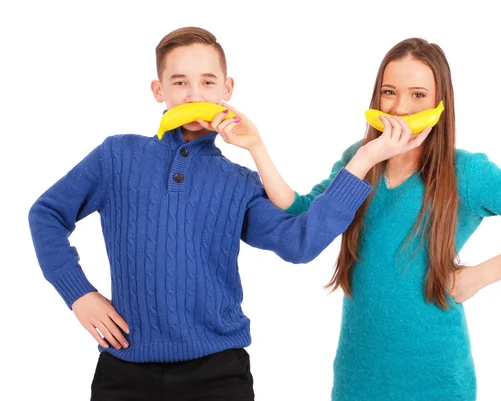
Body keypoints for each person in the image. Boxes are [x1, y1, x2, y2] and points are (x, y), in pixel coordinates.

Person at [27, 26, 414, 401]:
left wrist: (362, 160)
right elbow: (45, 214)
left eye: (207, 82)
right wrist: (79, 294)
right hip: (124, 368)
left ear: (227, 89)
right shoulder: (117, 156)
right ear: (158, 89)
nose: (193, 93)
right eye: (179, 82)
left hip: (218, 374)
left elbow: (301, 243)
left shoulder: (239, 182)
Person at [224, 37, 501, 400]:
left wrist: (479, 276)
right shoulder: (358, 159)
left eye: (418, 95)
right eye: (389, 92)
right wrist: (256, 146)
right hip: (357, 380)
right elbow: (303, 212)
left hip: (437, 383)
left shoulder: (467, 172)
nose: (399, 108)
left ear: (440, 104)